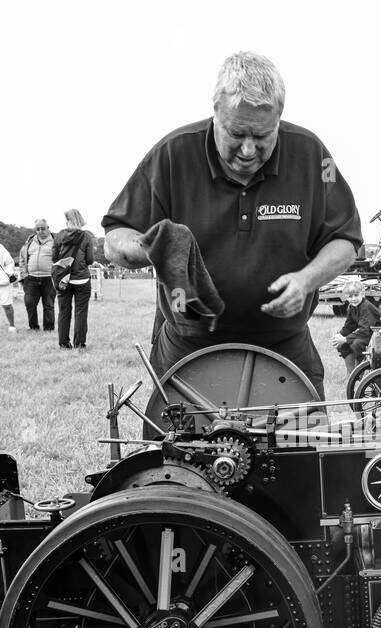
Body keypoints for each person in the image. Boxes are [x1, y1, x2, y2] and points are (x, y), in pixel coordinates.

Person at [103, 51, 361, 398]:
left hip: (284, 345)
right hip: (189, 344)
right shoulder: (172, 154)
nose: (249, 149)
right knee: (181, 451)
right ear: (216, 115)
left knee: (298, 448)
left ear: (279, 120)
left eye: (263, 136)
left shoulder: (313, 156)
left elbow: (345, 238)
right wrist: (150, 246)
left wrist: (306, 280)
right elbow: (115, 237)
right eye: (237, 134)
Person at [52, 209, 95, 350]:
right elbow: (89, 260)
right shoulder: (87, 237)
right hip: (81, 279)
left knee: (64, 312)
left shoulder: (59, 236)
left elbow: (54, 258)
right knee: (81, 312)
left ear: (67, 220)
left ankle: (64, 343)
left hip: (64, 279)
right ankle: (79, 344)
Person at [330, 278, 381, 376]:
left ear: (363, 294)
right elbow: (349, 326)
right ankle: (351, 374)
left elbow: (365, 330)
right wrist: (339, 336)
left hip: (376, 335)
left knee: (357, 344)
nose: (353, 299)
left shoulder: (366, 306)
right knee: (342, 345)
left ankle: (359, 373)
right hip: (366, 333)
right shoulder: (351, 307)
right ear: (346, 297)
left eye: (356, 295)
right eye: (350, 296)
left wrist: (345, 339)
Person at [18, 219, 56, 332]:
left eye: (43, 228)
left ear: (48, 228)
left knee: (48, 304)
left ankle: (49, 328)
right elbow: (22, 258)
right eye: (38, 229)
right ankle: (33, 327)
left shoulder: (56, 241)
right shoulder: (30, 241)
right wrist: (24, 274)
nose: (40, 231)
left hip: (49, 278)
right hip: (31, 278)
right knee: (29, 303)